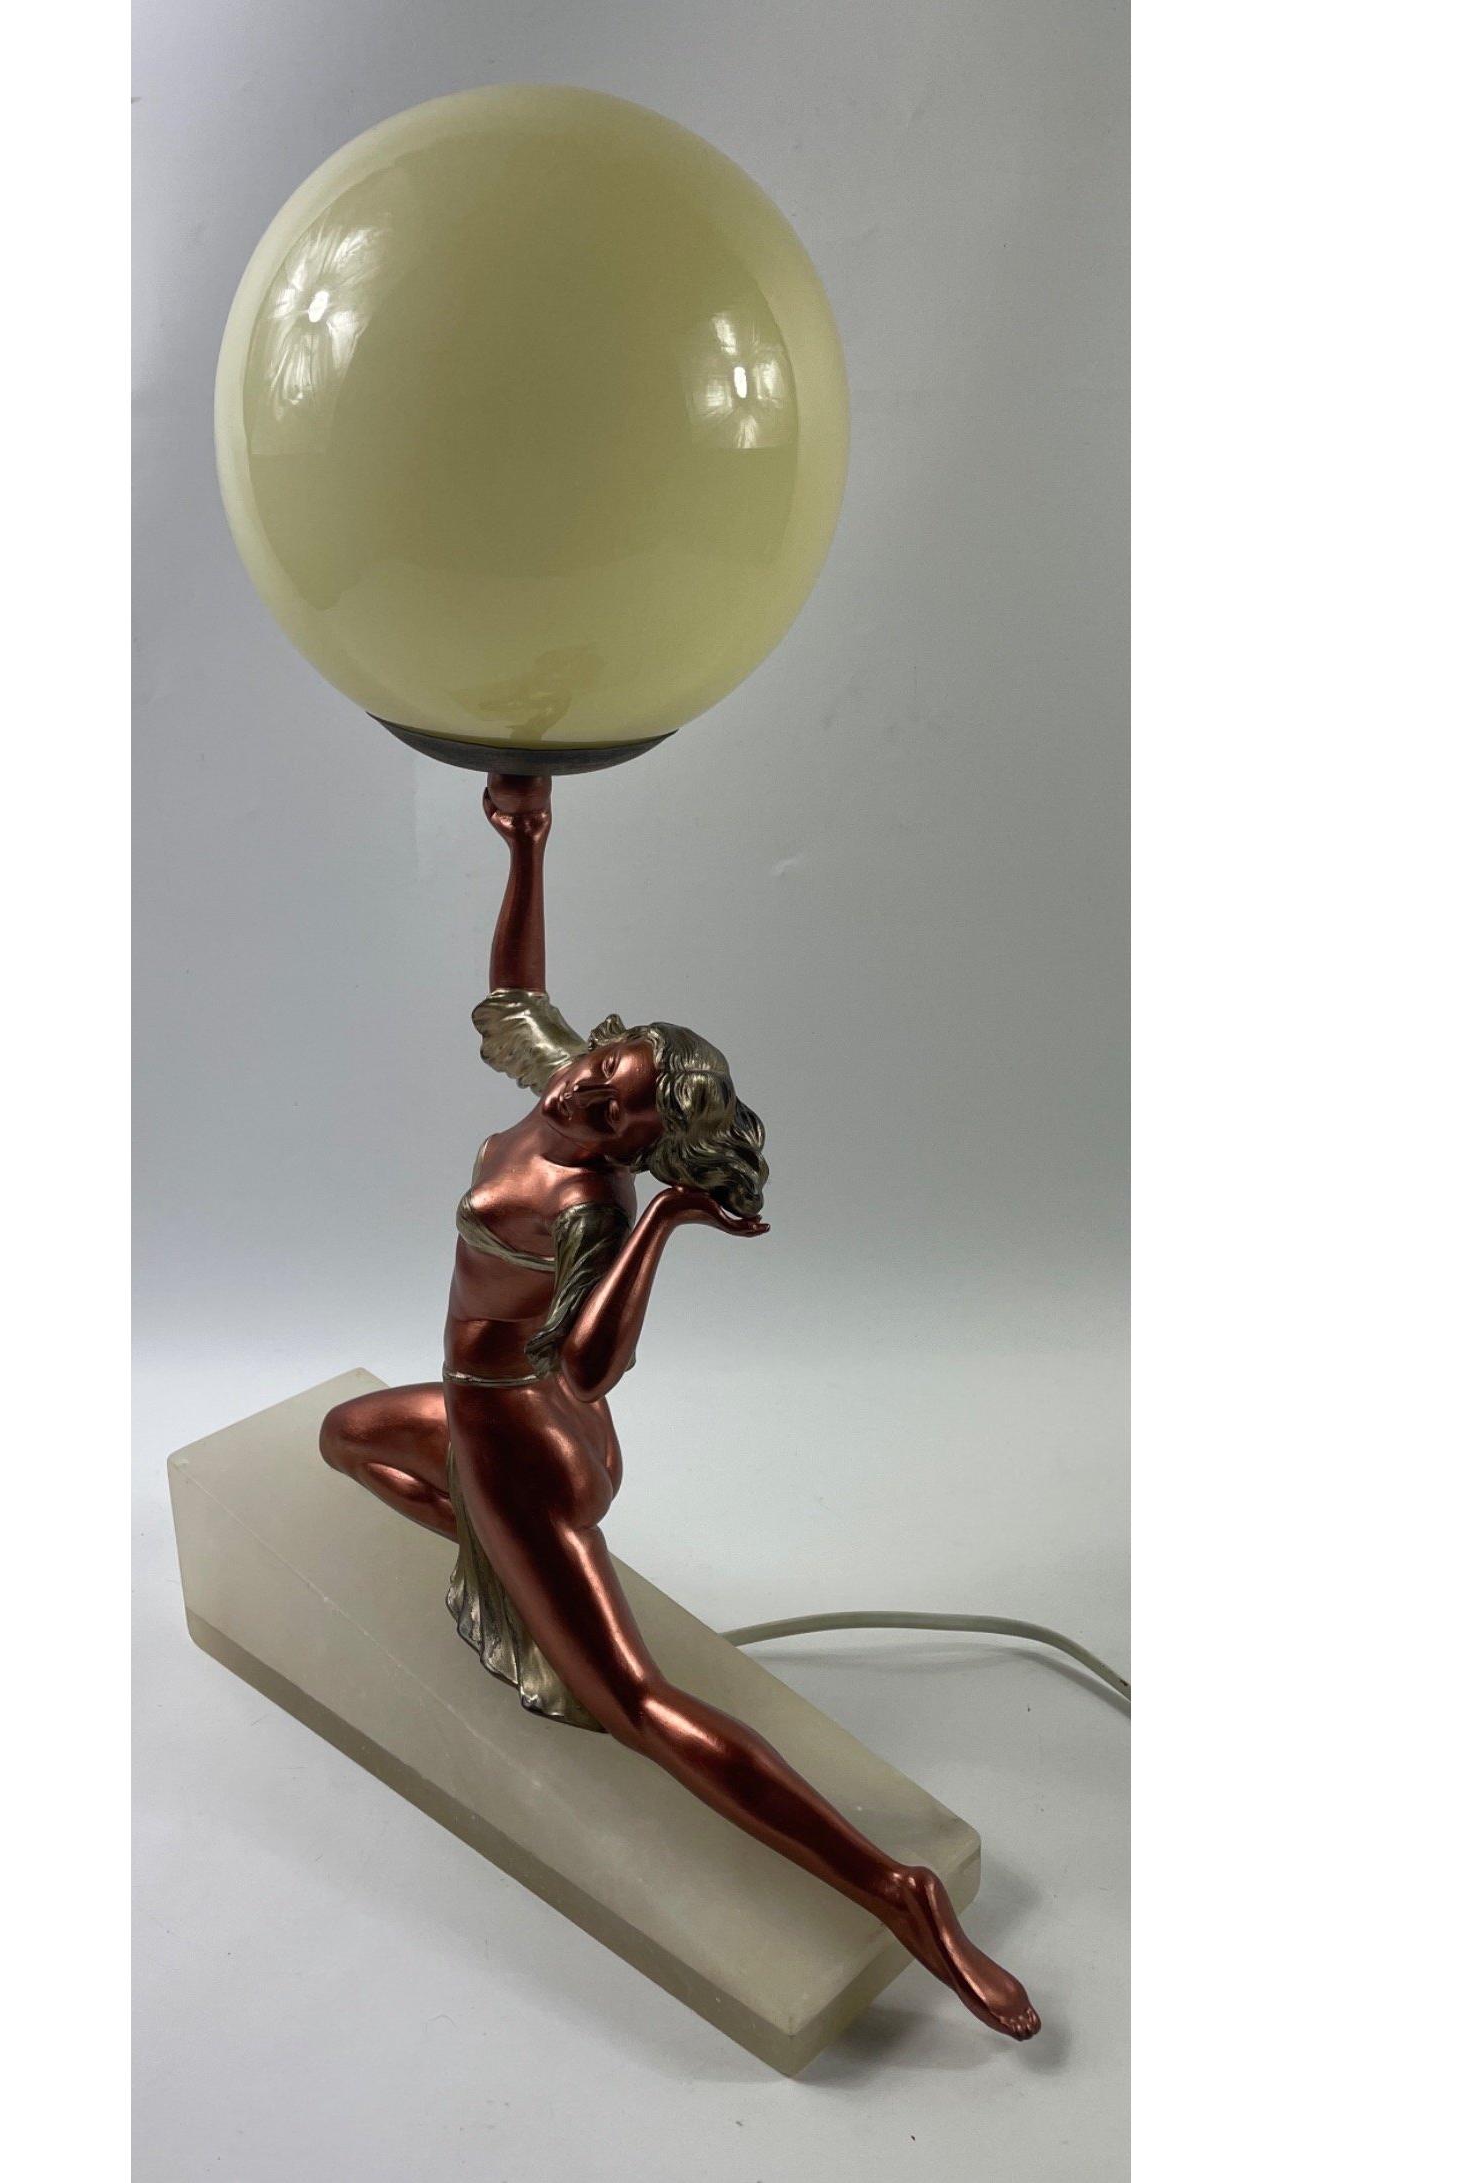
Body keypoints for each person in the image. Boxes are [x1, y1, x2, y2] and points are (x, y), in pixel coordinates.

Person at [319, 771, 1038, 2039]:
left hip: (525, 1434)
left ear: (632, 1147)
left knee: (637, 1706)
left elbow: (588, 1366)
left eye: (615, 1112)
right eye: (603, 1066)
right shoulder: (560, 1079)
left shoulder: (592, 1205)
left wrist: (658, 1221)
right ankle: (502, 1566)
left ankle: (899, 1891)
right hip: (501, 1420)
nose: (584, 1095)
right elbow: (511, 994)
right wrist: (527, 843)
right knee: (345, 1439)